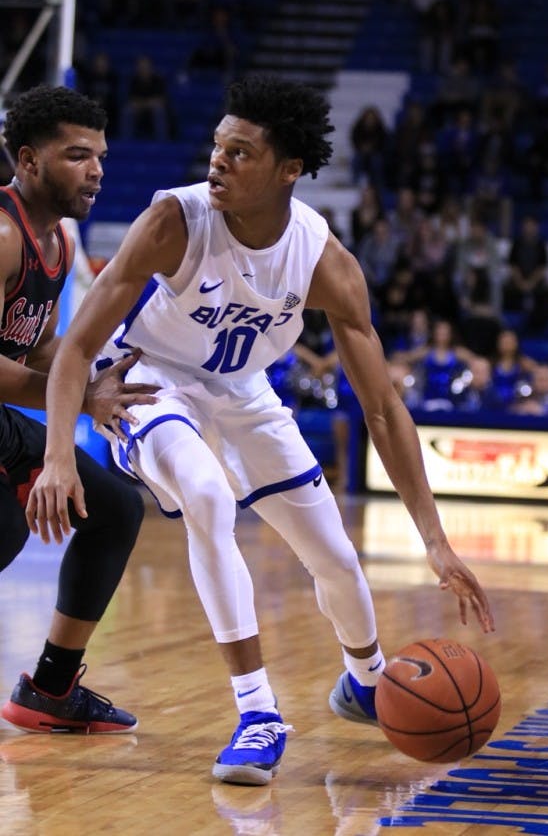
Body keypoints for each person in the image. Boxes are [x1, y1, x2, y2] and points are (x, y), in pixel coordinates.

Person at [26, 75, 494, 787]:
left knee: (333, 553)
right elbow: (79, 351)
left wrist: (433, 539)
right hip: (149, 382)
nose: (217, 160)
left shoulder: (323, 262)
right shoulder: (174, 222)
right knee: (209, 501)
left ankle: (364, 680)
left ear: (289, 171)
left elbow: (382, 409)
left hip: (244, 391)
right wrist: (60, 453)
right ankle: (257, 713)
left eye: (240, 152)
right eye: (217, 145)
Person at [0, 85, 159, 735]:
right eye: (77, 155)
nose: (96, 170)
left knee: (115, 506)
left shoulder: (60, 241)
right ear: (29, 161)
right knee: (8, 533)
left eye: (99, 155)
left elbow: (35, 346)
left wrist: (102, 374)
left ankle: (51, 687)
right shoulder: (4, 235)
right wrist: (78, 397)